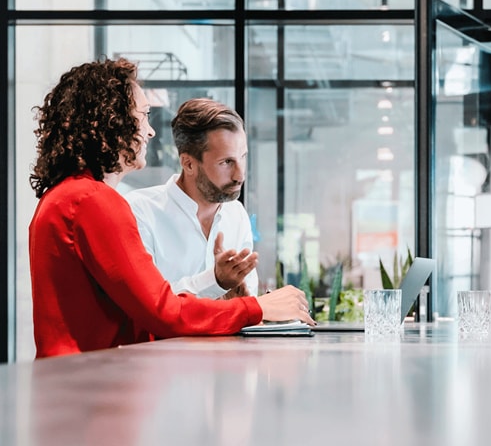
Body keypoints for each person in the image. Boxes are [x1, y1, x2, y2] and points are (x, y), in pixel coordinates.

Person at [28, 58, 315, 358]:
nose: (150, 132)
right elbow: (163, 310)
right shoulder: (93, 202)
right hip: (90, 387)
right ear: (111, 121)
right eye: (144, 116)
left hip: (72, 381)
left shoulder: (65, 197)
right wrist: (255, 308)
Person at [125, 98, 258, 300]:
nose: (240, 175)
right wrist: (215, 281)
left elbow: (247, 295)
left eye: (243, 157)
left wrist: (244, 301)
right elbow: (147, 301)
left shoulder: (236, 214)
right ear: (188, 164)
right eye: (227, 162)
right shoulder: (139, 212)